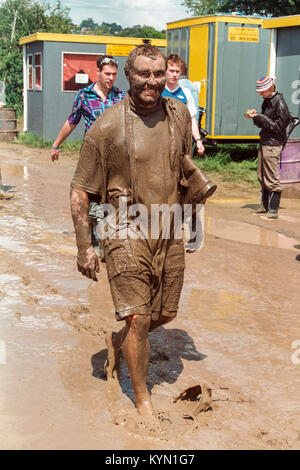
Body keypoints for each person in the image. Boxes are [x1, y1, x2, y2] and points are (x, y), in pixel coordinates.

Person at [70, 44, 210, 425]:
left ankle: (118, 344)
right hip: (122, 226)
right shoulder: (107, 126)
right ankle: (142, 399)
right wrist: (86, 246)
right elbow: (80, 190)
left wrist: (193, 222)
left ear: (168, 74)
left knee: (162, 313)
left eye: (157, 73)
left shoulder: (179, 114)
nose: (151, 81)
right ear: (128, 77)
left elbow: (183, 168)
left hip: (167, 227)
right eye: (142, 74)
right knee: (137, 318)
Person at [50, 55, 125, 161]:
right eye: (107, 74)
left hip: (115, 153)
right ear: (98, 71)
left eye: (114, 74)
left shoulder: (121, 96)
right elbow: (72, 122)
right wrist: (55, 145)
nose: (111, 78)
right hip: (91, 152)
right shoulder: (84, 95)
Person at [247, 76, 290, 219]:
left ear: (269, 89)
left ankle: (273, 211)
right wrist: (256, 117)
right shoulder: (267, 102)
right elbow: (265, 123)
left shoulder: (280, 103)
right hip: (265, 141)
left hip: (273, 144)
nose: (260, 94)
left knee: (271, 177)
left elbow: (278, 127)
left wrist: (260, 117)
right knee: (262, 175)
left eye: (262, 91)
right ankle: (264, 206)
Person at [162, 53, 205, 156]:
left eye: (177, 71)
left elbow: (192, 119)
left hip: (180, 142)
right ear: (165, 71)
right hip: (160, 142)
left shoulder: (186, 93)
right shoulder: (158, 91)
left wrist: (198, 140)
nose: (174, 74)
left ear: (181, 72)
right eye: (171, 71)